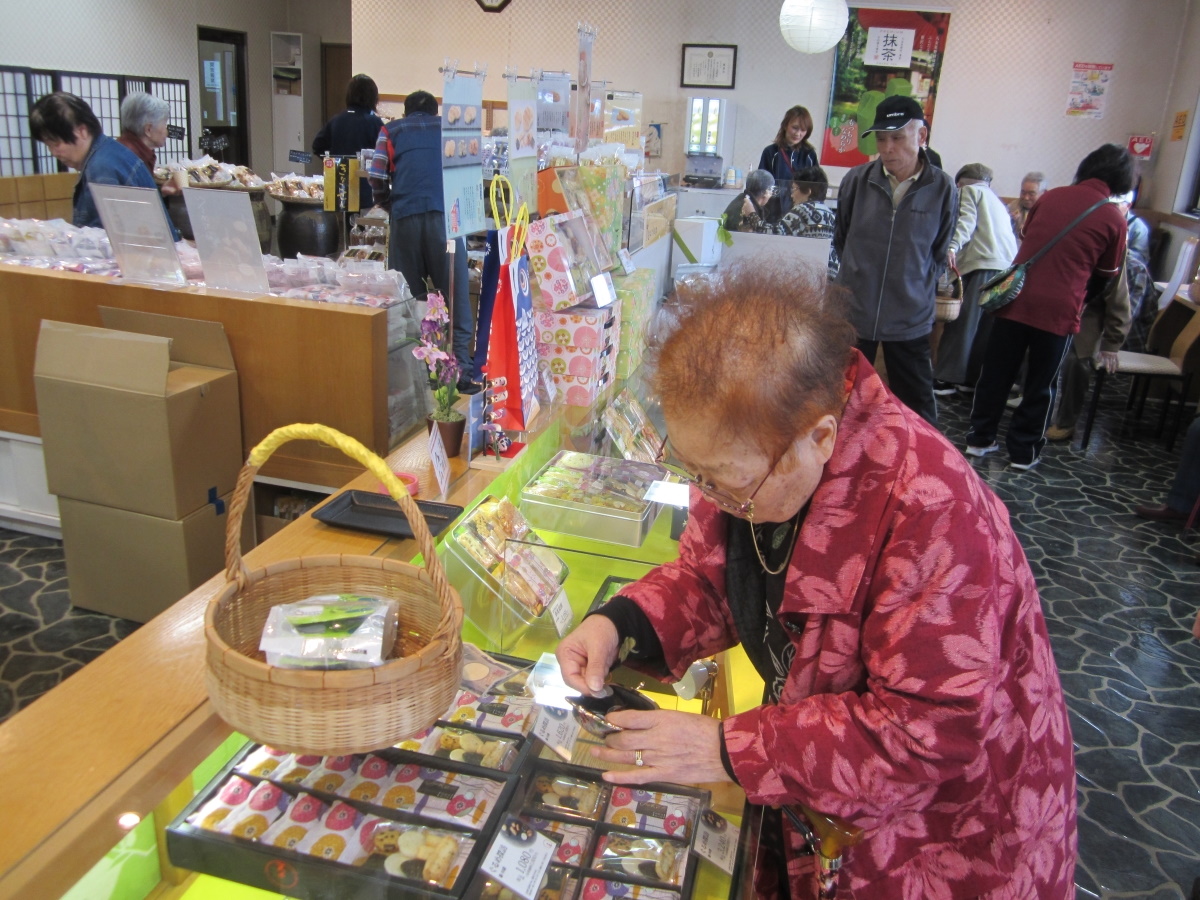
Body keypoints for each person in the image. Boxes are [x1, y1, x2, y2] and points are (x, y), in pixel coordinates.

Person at [556, 262, 1077, 899]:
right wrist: (619, 624)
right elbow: (711, 579)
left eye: (724, 481)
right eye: (692, 472)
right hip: (822, 798)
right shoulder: (750, 455)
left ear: (821, 437)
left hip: (943, 835)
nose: (709, 496)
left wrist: (731, 750)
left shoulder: (934, 512)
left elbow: (923, 732)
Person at [966, 144, 1131, 469]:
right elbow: (1106, 275)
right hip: (1059, 310)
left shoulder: (1050, 197)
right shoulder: (1114, 218)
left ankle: (979, 439)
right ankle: (1023, 452)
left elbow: (1029, 237)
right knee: (1040, 384)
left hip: (1015, 299)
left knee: (996, 373)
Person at [832, 95, 957, 426]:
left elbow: (938, 251)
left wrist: (914, 283)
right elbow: (843, 238)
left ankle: (918, 459)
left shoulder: (942, 188)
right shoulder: (857, 181)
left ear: (921, 136)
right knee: (840, 401)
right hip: (855, 311)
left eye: (898, 137)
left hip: (909, 315)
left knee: (917, 408)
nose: (888, 148)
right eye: (881, 138)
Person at [369, 91, 475, 390]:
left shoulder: (391, 131)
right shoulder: (450, 130)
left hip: (405, 219)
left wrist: (389, 204)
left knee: (409, 299)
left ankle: (417, 377)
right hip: (446, 221)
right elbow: (468, 175)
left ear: (406, 112)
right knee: (455, 297)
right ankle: (461, 374)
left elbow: (376, 176)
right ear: (435, 112)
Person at [933, 163, 1018, 395]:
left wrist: (952, 246)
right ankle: (971, 380)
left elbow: (966, 222)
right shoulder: (996, 200)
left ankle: (945, 379)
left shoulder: (968, 192)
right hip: (1005, 269)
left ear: (959, 183)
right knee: (984, 329)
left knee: (963, 324)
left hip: (981, 265)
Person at [29, 91, 163, 231]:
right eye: (48, 145)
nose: (53, 153)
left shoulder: (102, 169)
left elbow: (100, 239)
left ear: (82, 131)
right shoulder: (108, 153)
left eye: (55, 144)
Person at [312, 74, 384, 210]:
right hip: (365, 187)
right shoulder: (374, 122)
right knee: (363, 221)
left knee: (342, 219)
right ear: (373, 97)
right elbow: (385, 153)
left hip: (338, 183)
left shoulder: (336, 120)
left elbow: (317, 146)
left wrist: (332, 160)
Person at [742, 165, 835, 239]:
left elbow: (774, 234)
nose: (791, 195)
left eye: (794, 189)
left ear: (807, 191)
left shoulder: (803, 210)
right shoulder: (830, 214)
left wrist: (751, 214)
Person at [757, 106, 818, 215]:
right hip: (774, 212)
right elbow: (762, 185)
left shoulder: (809, 154)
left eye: (803, 130)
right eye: (795, 128)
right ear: (785, 125)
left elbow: (816, 187)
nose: (798, 134)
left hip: (801, 213)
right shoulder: (771, 152)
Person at [116, 92, 174, 192]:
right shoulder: (134, 159)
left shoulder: (120, 147)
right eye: (164, 125)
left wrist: (162, 192)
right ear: (148, 129)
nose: (167, 132)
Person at [1008, 171, 1047, 239]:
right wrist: (1010, 220)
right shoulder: (1013, 206)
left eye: (1031, 194)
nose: (1026, 198)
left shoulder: (1048, 211)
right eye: (1023, 192)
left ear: (1043, 193)